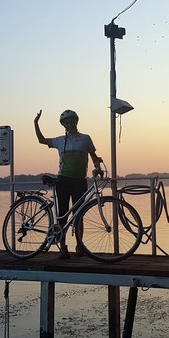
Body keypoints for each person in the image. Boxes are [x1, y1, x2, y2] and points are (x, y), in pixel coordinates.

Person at [34, 109, 102, 258]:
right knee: (62, 215)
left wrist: (98, 167)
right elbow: (41, 140)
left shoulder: (85, 138)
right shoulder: (59, 140)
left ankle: (80, 246)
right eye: (66, 122)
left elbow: (94, 157)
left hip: (80, 180)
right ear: (63, 125)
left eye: (72, 121)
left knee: (79, 214)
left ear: (76, 121)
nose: (70, 124)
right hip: (63, 180)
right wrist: (36, 123)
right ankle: (63, 246)